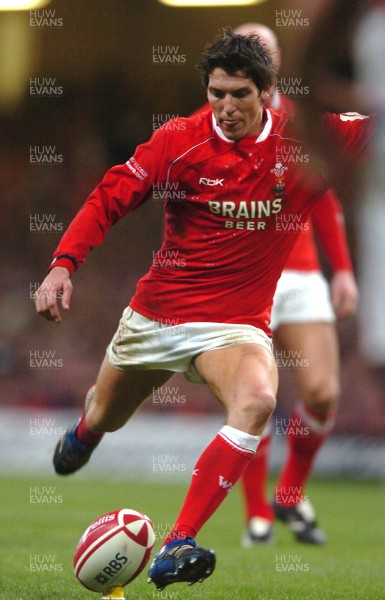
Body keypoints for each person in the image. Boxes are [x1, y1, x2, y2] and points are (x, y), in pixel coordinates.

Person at [35, 29, 369, 591]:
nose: (226, 106)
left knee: (259, 399)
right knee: (106, 415)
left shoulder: (305, 141)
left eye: (239, 94)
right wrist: (63, 264)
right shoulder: (179, 140)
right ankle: (86, 434)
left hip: (235, 326)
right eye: (216, 94)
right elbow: (110, 196)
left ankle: (178, 542)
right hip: (158, 317)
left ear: (267, 92)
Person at [220, 23, 359, 548]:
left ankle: (290, 493)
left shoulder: (301, 123)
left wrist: (341, 268)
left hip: (300, 272)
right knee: (256, 398)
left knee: (323, 392)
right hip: (246, 275)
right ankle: (256, 513)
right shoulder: (220, 119)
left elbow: (320, 193)